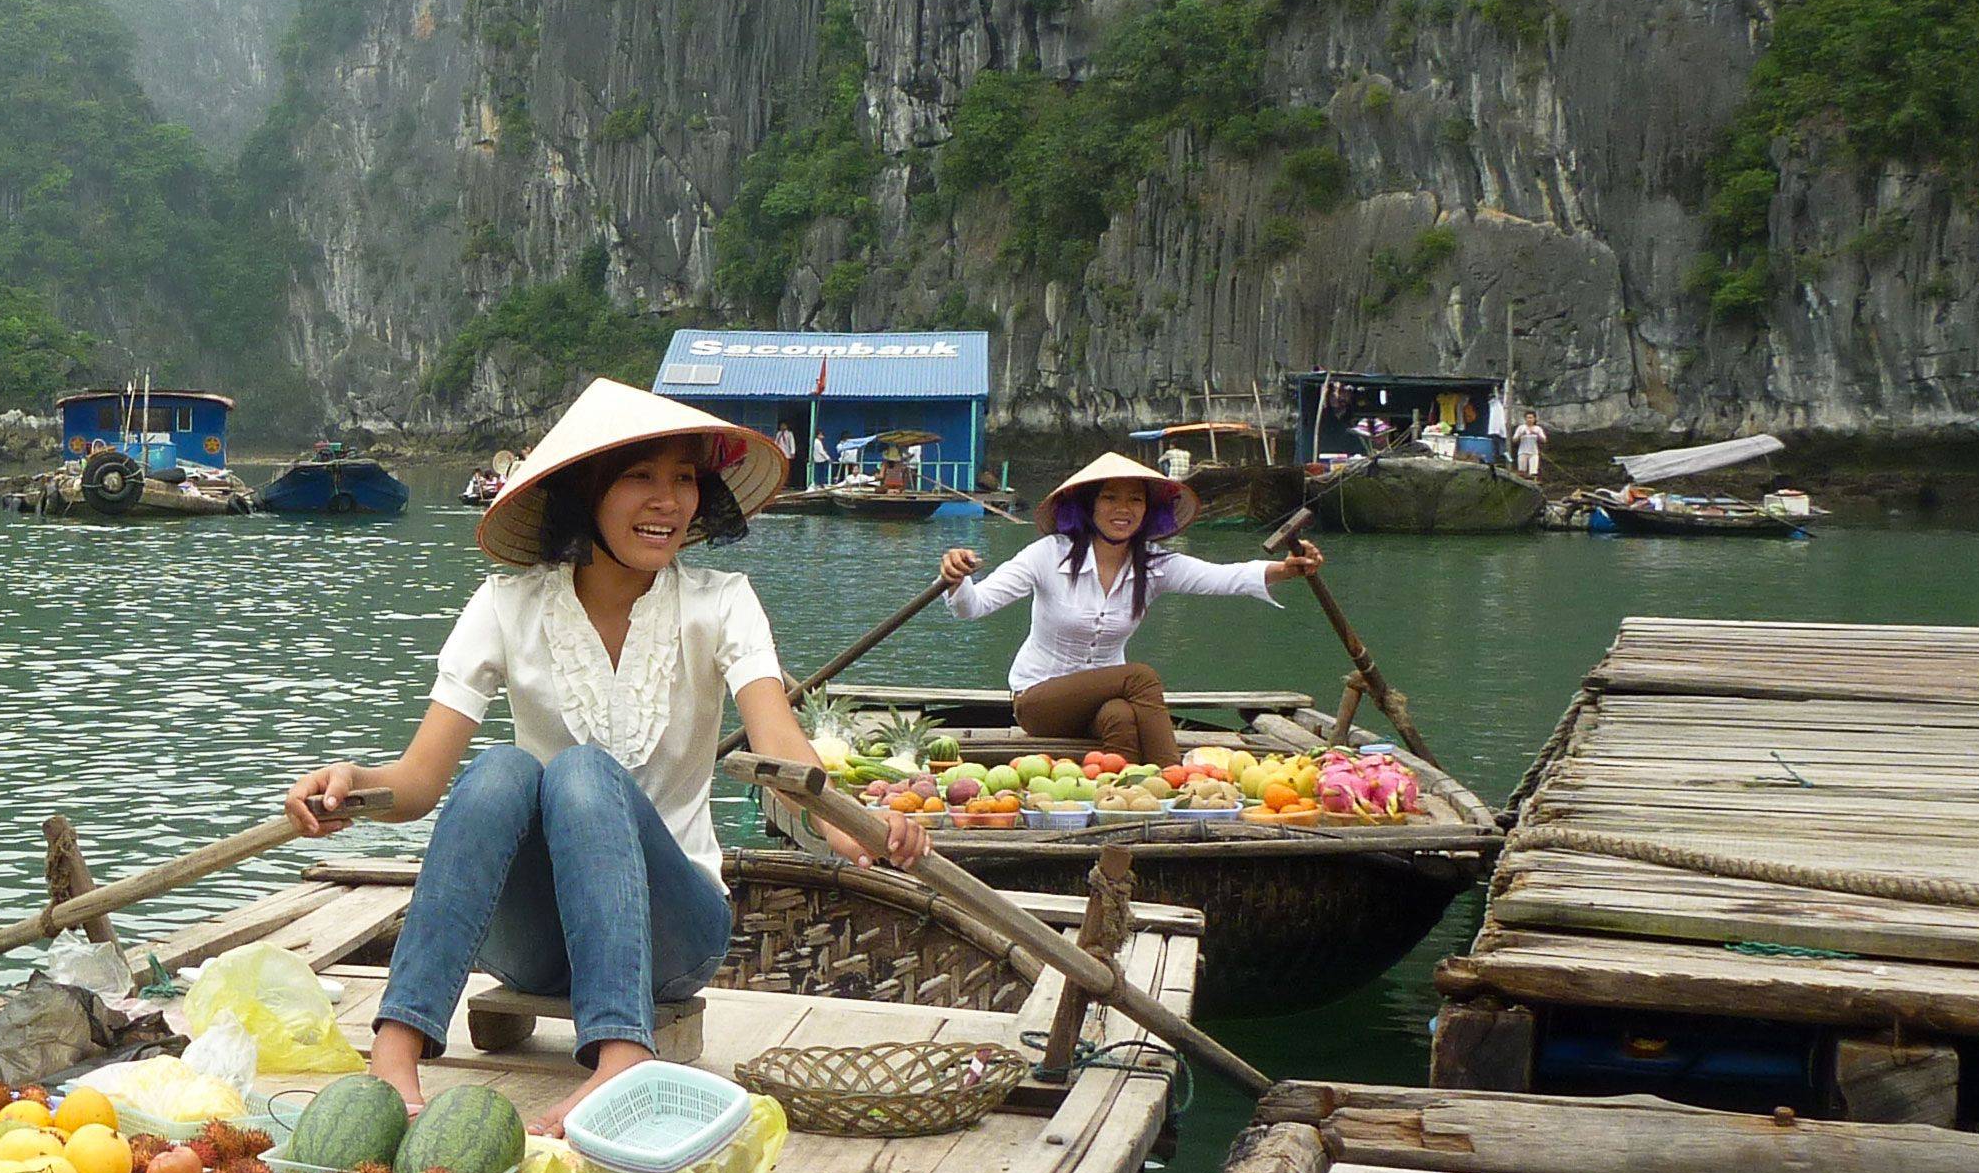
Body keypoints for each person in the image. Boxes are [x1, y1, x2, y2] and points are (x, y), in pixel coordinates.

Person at [286, 381, 923, 1134]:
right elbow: (420, 784)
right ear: (586, 493)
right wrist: (352, 786)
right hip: (531, 943)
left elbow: (783, 752)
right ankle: (395, 1050)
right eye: (640, 477)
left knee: (582, 772)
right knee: (504, 770)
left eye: (683, 479)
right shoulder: (505, 604)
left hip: (672, 936)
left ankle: (622, 1053)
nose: (669, 502)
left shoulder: (721, 602)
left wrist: (859, 832)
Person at [935, 450, 1324, 763]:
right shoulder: (1048, 555)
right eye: (1110, 497)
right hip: (1039, 699)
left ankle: (1125, 798)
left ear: (1147, 510)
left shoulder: (1153, 565)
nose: (1124, 508)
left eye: (1135, 499)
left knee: (1121, 717)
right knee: (1138, 677)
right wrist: (956, 579)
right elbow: (975, 606)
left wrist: (1286, 568)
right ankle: (1175, 777)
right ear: (1089, 506)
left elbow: (1225, 577)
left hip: (1101, 704)